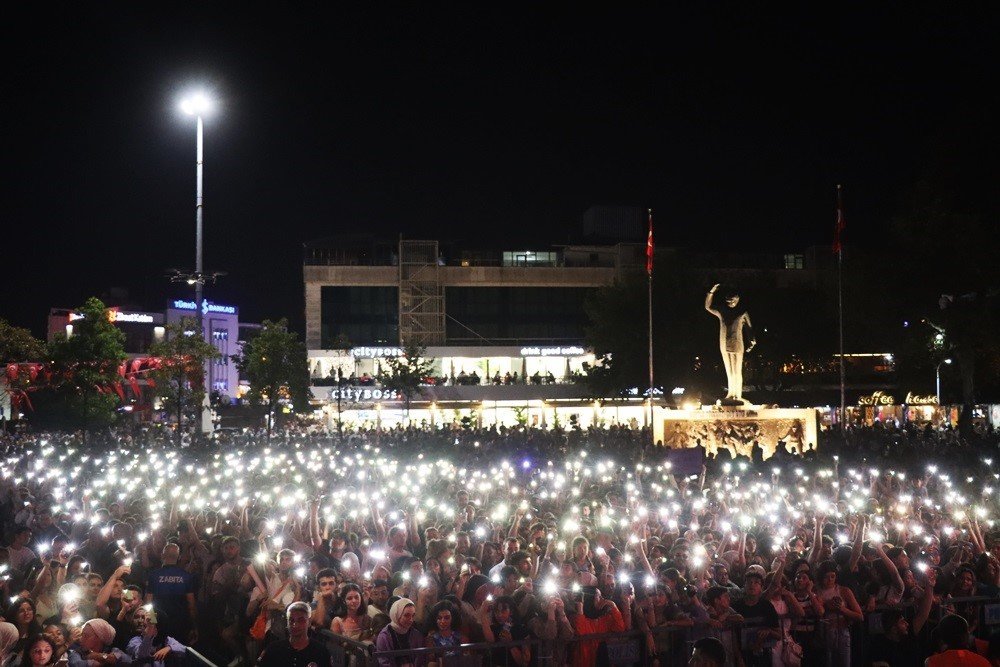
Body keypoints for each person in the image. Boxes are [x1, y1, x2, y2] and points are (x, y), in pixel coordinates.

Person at [705, 283, 755, 402]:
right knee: (729, 369)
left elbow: (749, 328)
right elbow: (708, 307)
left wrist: (752, 340)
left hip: (737, 344)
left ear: (737, 300)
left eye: (733, 301)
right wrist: (711, 292)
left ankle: (737, 395)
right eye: (729, 301)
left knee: (737, 370)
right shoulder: (722, 311)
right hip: (723, 343)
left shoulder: (743, 312)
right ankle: (730, 393)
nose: (731, 303)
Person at [144, 543, 197, 645]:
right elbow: (191, 605)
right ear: (179, 557)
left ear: (162, 555)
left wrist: (151, 624)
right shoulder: (186, 576)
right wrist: (194, 626)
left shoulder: (154, 575)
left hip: (159, 621)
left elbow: (148, 601)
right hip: (181, 622)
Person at [256, 601, 333, 667]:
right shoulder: (273, 650)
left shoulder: (320, 652)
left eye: (301, 620)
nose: (295, 625)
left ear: (309, 622)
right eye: (291, 620)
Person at [374, 598, 423, 667]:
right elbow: (383, 662)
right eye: (406, 615)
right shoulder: (384, 637)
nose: (411, 620)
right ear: (397, 614)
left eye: (413, 615)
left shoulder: (416, 634)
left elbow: (420, 659)